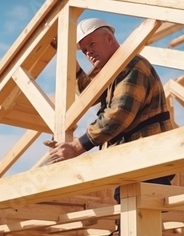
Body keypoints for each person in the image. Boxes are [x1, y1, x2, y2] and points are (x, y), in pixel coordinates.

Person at [49, 18, 174, 203]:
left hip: (147, 159)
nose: (88, 53)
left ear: (109, 38)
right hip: (132, 162)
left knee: (138, 218)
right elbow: (88, 93)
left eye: (92, 44)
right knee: (132, 222)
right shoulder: (112, 73)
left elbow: (119, 114)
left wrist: (77, 146)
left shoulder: (131, 66)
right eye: (84, 51)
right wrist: (68, 58)